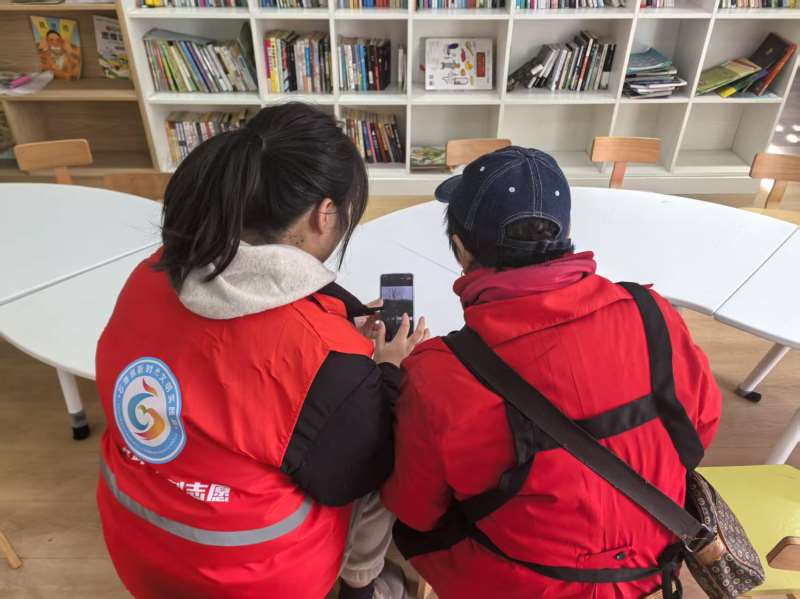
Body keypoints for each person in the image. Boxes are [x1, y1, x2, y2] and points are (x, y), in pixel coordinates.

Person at [95, 102, 428, 599]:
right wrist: (386, 371)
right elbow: (352, 476)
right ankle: (364, 586)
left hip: (137, 540)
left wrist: (339, 321)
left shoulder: (155, 271)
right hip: (251, 574)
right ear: (324, 214)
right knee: (399, 446)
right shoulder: (325, 360)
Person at [381, 147, 722, 599]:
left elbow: (417, 508)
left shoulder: (439, 372)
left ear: (461, 250)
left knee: (409, 526)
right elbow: (700, 429)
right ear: (565, 236)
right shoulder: (651, 313)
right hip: (653, 564)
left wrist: (389, 377)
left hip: (525, 586)